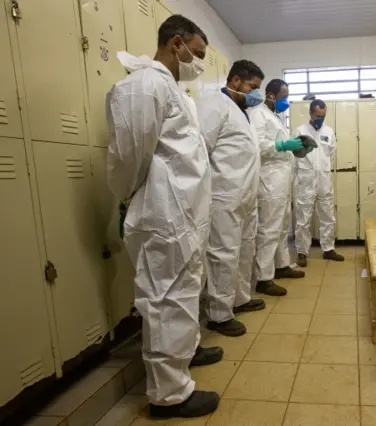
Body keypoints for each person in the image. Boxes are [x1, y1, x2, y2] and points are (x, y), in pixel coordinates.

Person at [106, 15, 223, 419]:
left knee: (184, 293)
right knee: (164, 300)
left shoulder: (172, 89)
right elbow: (129, 158)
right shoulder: (143, 85)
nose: (200, 63)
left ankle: (185, 355)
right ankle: (169, 396)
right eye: (198, 53)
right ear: (177, 44)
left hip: (183, 215)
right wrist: (134, 199)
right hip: (163, 214)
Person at [198, 60, 268, 338]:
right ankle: (219, 313)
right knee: (223, 253)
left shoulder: (242, 111)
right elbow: (200, 149)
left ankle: (239, 298)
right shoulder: (214, 104)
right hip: (224, 195)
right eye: (253, 87)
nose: (256, 94)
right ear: (236, 81)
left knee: (244, 249)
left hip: (245, 195)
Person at [248, 79, 306, 297]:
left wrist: (296, 146)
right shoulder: (258, 114)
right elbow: (257, 146)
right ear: (271, 94)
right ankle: (264, 278)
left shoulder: (275, 116)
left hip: (281, 177)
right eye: (283, 95)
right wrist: (282, 145)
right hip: (269, 178)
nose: (285, 100)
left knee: (282, 225)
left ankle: (282, 266)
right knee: (269, 228)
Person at [293, 100, 344, 267]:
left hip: (323, 179)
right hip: (306, 180)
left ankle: (328, 249)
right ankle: (302, 252)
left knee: (328, 215)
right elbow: (295, 156)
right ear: (311, 113)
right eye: (317, 116)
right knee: (303, 219)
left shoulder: (328, 131)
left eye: (323, 116)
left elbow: (331, 153)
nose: (320, 119)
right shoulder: (300, 131)